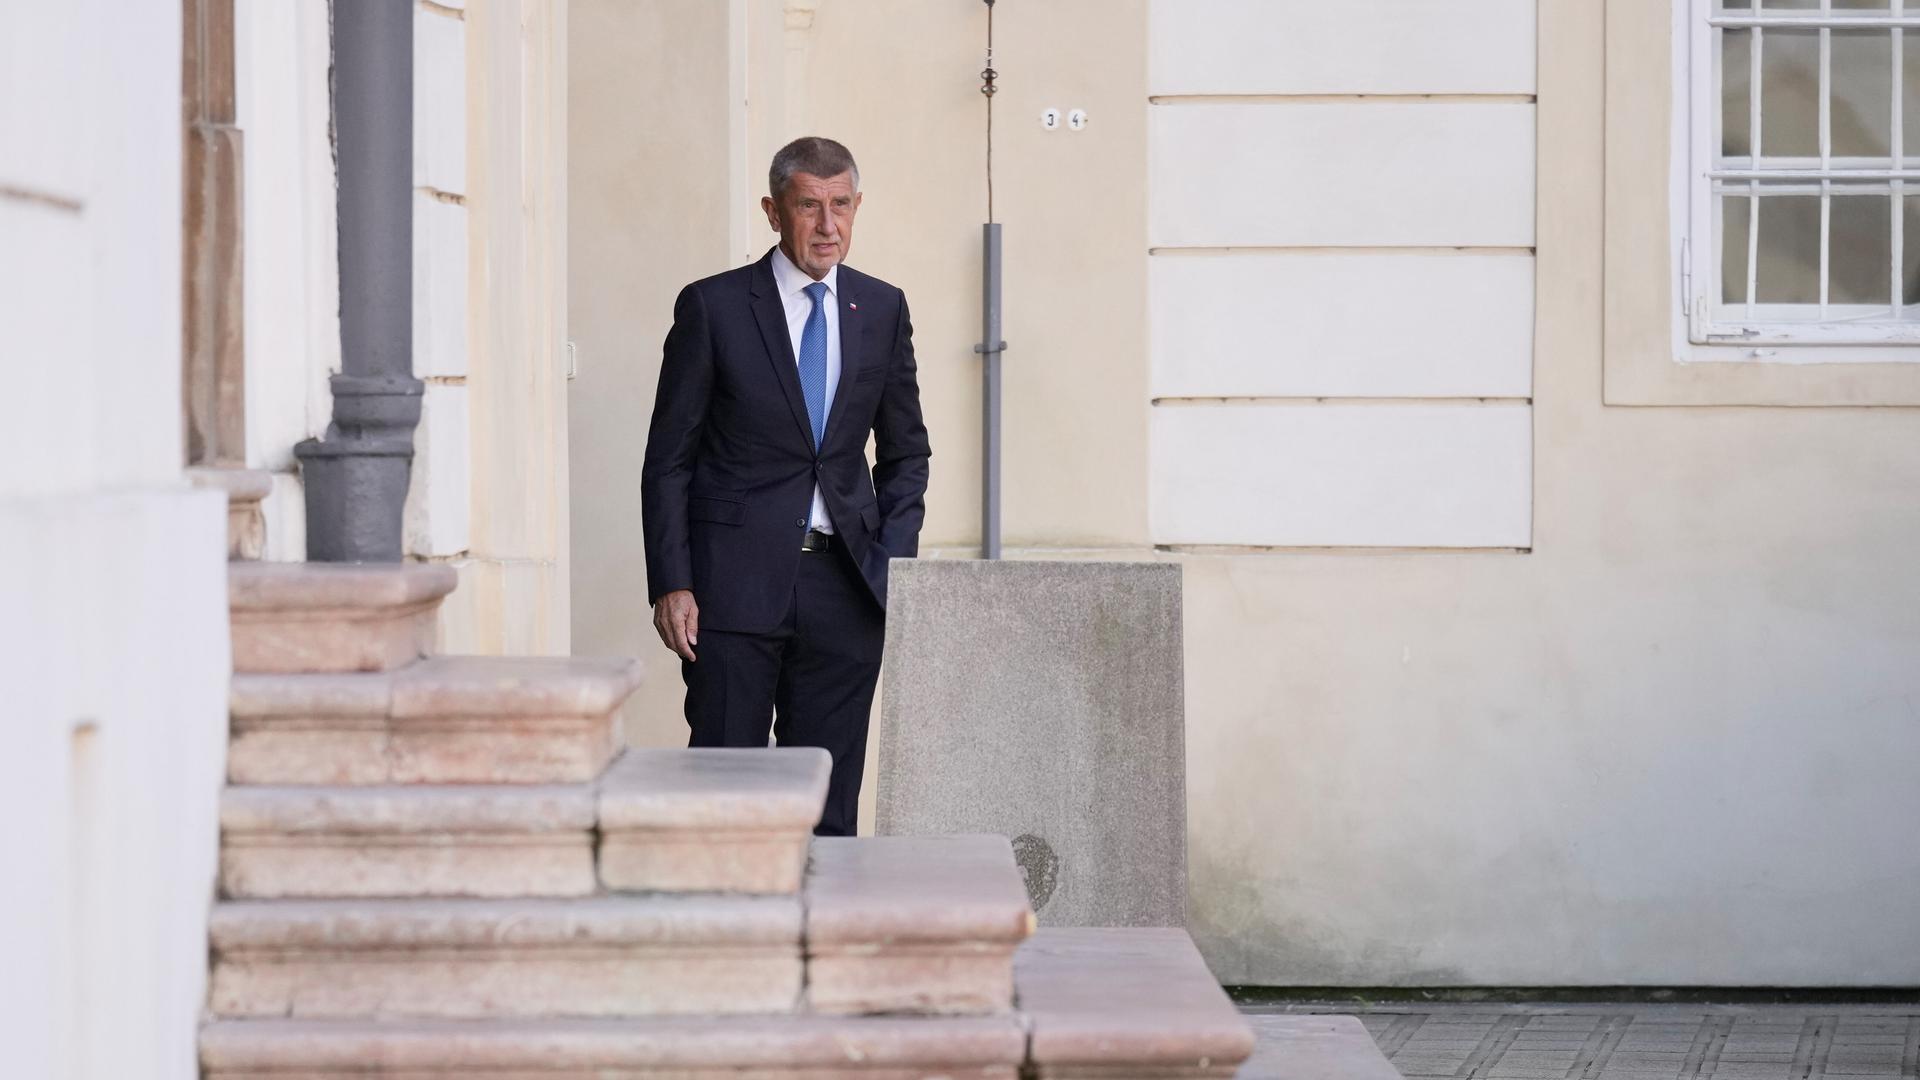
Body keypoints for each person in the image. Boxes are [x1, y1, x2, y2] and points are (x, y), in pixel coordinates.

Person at [641, 137, 931, 837]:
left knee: (829, 803)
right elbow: (669, 459)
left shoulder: (882, 309)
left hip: (845, 587)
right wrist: (672, 581)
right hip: (730, 590)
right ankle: (725, 940)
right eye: (809, 206)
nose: (828, 225)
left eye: (841, 206)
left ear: (857, 207)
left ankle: (820, 938)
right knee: (725, 793)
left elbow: (907, 452)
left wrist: (889, 561)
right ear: (775, 212)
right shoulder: (713, 308)